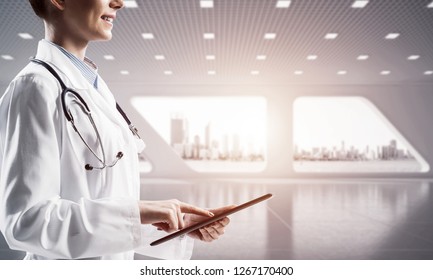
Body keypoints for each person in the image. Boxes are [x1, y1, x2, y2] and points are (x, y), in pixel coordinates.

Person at [0, 0, 232, 260]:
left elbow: (108, 205)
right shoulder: (34, 87)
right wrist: (138, 213)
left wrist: (175, 222)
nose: (119, 3)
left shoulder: (91, 86)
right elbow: (25, 222)